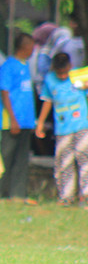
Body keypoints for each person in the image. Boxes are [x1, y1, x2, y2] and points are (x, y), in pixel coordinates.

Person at [35, 52, 88, 205]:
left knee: (85, 161)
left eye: (65, 72)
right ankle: (66, 197)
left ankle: (85, 196)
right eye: (60, 73)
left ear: (70, 66)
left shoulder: (79, 75)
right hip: (62, 129)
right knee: (64, 163)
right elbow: (47, 101)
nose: (63, 76)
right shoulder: (50, 80)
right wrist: (40, 123)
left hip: (82, 125)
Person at [0, 32, 36, 203]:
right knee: (6, 156)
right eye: (31, 46)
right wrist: (12, 119)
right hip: (12, 121)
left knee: (21, 159)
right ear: (24, 47)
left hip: (26, 121)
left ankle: (17, 194)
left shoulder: (26, 65)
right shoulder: (8, 66)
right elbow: (4, 93)